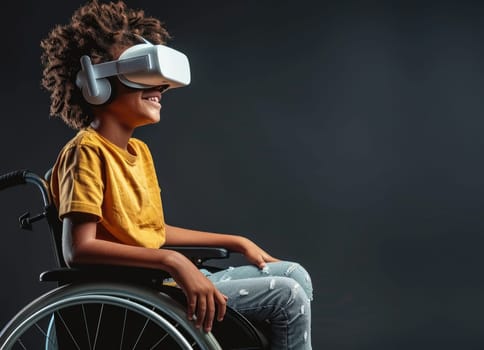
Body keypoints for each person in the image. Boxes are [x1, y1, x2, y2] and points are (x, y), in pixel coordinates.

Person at [40, 1, 313, 349]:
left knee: (294, 274)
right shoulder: (86, 152)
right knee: (287, 295)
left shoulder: (139, 152)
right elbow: (79, 250)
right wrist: (173, 262)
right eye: (142, 75)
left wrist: (235, 240)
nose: (161, 88)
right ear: (95, 82)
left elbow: (147, 230)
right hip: (141, 290)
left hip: (159, 280)